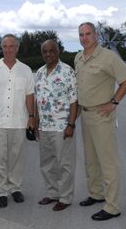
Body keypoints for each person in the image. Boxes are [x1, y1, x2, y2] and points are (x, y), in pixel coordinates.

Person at [74, 22, 126, 221]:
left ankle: (112, 206)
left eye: (88, 34)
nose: (85, 38)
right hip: (85, 114)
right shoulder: (78, 58)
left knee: (107, 162)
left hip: (101, 116)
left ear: (96, 35)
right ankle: (96, 194)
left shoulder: (108, 57)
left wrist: (114, 102)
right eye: (81, 34)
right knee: (90, 159)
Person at [0, 34, 35, 208]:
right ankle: (1, 191)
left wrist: (32, 117)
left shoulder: (25, 70)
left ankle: (15, 188)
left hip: (19, 121)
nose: (8, 49)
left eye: (12, 46)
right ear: (1, 48)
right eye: (5, 46)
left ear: (17, 48)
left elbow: (29, 96)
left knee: (17, 158)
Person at [34, 40, 78, 211]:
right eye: (45, 51)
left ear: (58, 51)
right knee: (47, 163)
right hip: (44, 127)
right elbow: (38, 100)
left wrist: (71, 125)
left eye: (52, 51)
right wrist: (36, 122)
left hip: (62, 127)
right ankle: (52, 193)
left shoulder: (68, 72)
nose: (48, 54)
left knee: (65, 164)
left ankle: (65, 197)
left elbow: (74, 100)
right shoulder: (39, 73)